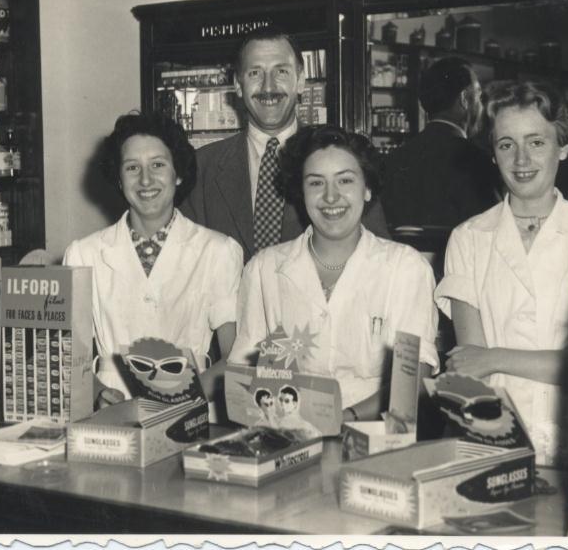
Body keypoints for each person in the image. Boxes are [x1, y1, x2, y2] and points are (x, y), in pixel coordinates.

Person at [434, 81, 568, 467]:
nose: (521, 160)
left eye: (536, 142)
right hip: (495, 441)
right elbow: (472, 366)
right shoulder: (468, 239)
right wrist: (488, 363)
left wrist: (496, 357)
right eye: (506, 144)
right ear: (493, 153)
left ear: (563, 146)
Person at [229, 125, 439, 421]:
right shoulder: (264, 270)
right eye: (316, 183)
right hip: (288, 437)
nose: (331, 197)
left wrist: (347, 417)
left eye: (345, 181)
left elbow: (414, 379)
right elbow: (245, 370)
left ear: (367, 189)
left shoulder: (405, 268)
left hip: (376, 438)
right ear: (300, 193)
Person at [63, 113, 243, 408]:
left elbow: (235, 356)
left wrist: (187, 396)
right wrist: (98, 393)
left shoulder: (219, 251)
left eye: (158, 165)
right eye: (132, 167)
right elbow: (70, 355)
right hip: (113, 411)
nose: (145, 179)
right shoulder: (83, 253)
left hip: (192, 410)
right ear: (119, 179)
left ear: (179, 173)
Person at [181, 25, 389, 263]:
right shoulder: (203, 167)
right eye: (255, 73)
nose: (268, 87)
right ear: (238, 85)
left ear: (300, 81)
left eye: (281, 72)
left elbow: (379, 257)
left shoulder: (345, 162)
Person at [382, 56, 500, 230]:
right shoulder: (475, 160)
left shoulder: (395, 158)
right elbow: (493, 227)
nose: (482, 108)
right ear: (464, 99)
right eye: (479, 97)